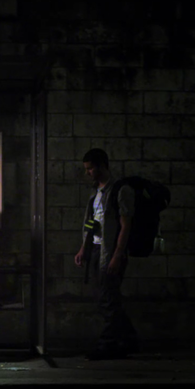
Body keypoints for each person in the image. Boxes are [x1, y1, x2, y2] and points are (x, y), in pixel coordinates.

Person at [74, 148, 141, 360]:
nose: (88, 173)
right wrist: (84, 247)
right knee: (108, 298)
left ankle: (108, 344)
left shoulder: (121, 190)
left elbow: (125, 226)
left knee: (107, 299)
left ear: (102, 166)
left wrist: (117, 255)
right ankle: (129, 339)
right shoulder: (95, 192)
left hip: (110, 253)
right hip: (95, 250)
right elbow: (92, 221)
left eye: (91, 168)